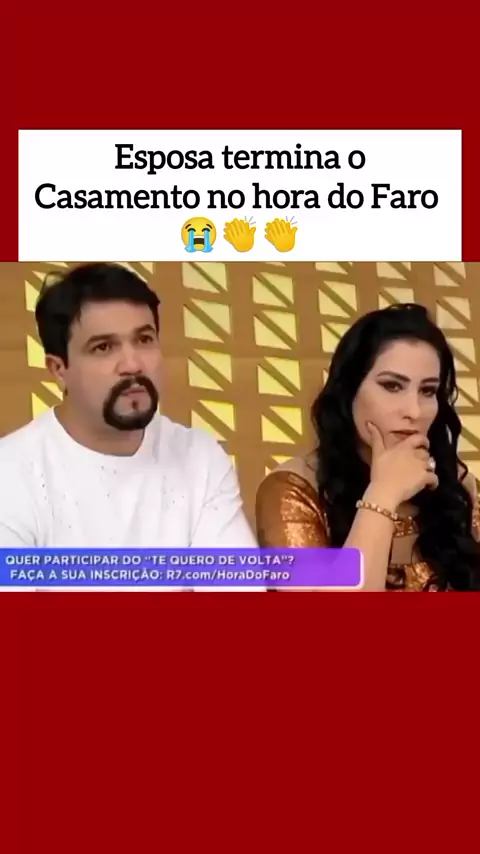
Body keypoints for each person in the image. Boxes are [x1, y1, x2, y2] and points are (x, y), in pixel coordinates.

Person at [0, 262, 258, 591]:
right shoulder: (11, 473)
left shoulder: (200, 457)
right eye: (103, 347)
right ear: (58, 368)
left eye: (144, 339)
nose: (133, 364)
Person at [256, 303, 480, 592]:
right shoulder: (294, 490)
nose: (413, 411)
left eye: (427, 391)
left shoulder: (457, 486)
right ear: (349, 390)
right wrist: (383, 494)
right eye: (392, 386)